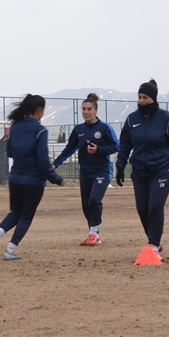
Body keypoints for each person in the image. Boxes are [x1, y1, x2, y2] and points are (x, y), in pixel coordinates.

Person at [115, 79, 169, 260]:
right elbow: (125, 144)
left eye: (145, 97)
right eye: (139, 97)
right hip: (140, 170)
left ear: (153, 98)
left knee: (155, 206)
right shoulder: (131, 120)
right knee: (142, 208)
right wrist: (120, 166)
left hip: (162, 169)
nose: (141, 101)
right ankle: (155, 240)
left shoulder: (166, 118)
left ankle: (154, 246)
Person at [0, 94, 64, 260]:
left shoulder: (15, 127)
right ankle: (10, 249)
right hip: (33, 180)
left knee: (15, 212)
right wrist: (55, 178)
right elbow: (43, 160)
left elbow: (10, 152)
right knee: (26, 215)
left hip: (15, 178)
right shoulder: (40, 130)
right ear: (39, 110)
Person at [53, 93, 119, 245]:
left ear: (96, 110)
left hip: (102, 171)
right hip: (85, 172)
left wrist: (99, 150)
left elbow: (116, 146)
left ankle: (93, 234)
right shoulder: (79, 129)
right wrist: (56, 163)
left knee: (95, 199)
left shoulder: (104, 128)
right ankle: (94, 234)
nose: (86, 112)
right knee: (86, 205)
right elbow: (69, 148)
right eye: (83, 109)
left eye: (89, 109)